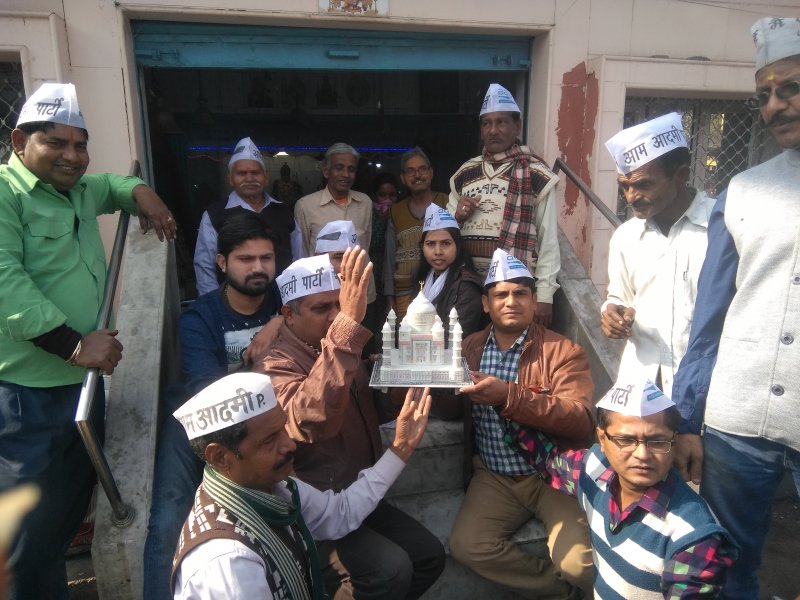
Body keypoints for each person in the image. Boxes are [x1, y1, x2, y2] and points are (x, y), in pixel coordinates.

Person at [0, 82, 176, 599]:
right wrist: (74, 346)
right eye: (56, 143)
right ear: (19, 142)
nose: (72, 156)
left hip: (83, 390)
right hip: (24, 399)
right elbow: (5, 281)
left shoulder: (80, 189)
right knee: (23, 537)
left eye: (80, 145)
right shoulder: (6, 195)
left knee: (62, 519)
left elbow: (115, 183)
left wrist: (141, 193)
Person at [671, 17, 800, 599]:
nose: (774, 106)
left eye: (790, 88)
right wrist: (688, 418)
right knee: (729, 566)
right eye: (764, 95)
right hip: (736, 421)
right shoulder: (742, 191)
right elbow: (710, 315)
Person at [262, 250, 445, 599]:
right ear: (289, 314)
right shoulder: (275, 363)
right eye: (321, 308)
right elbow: (311, 420)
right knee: (390, 569)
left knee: (428, 556)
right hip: (317, 509)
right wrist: (346, 330)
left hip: (361, 492)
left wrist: (395, 385)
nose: (335, 316)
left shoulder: (334, 344)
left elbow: (369, 409)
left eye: (339, 304)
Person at [171, 372, 434, 599]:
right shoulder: (228, 563)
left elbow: (339, 514)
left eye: (283, 429)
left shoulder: (276, 489)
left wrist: (400, 449)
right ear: (219, 457)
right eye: (270, 440)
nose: (289, 445)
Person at [144, 212, 283, 600]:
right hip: (198, 418)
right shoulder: (200, 316)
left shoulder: (286, 300)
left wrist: (279, 322)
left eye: (266, 258)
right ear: (221, 262)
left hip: (269, 417)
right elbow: (207, 389)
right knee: (169, 517)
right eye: (245, 259)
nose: (258, 268)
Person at [505, 378, 738, 597]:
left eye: (657, 441)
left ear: (673, 441)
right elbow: (552, 463)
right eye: (626, 440)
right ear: (602, 440)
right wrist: (506, 403)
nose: (642, 454)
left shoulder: (693, 538)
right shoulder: (594, 468)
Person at [449, 249, 594, 599]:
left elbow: (582, 420)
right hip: (495, 476)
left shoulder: (563, 351)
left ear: (533, 299)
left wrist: (510, 397)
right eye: (501, 294)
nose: (511, 301)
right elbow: (448, 408)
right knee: (468, 546)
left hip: (550, 475)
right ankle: (561, 591)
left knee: (578, 564)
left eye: (521, 293)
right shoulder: (468, 348)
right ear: (486, 304)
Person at [601, 112, 715, 397]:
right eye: (624, 186)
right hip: (643, 385)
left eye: (644, 185)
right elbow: (619, 297)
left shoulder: (723, 226)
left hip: (708, 385)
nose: (631, 197)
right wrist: (612, 313)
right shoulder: (626, 237)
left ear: (680, 176)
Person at [448, 83, 560, 326]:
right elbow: (444, 232)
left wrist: (545, 295)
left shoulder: (536, 174)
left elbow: (548, 239)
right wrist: (457, 216)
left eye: (501, 122)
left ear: (517, 126)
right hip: (467, 290)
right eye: (486, 123)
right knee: (467, 347)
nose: (493, 130)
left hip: (513, 294)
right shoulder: (465, 173)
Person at [193, 136, 299, 295]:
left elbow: (298, 258)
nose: (249, 178)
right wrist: (213, 304)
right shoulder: (215, 214)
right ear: (230, 178)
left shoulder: (283, 211)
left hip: (283, 300)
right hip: (232, 304)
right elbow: (205, 266)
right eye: (241, 173)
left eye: (255, 172)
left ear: (265, 177)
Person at [384, 147, 448, 320]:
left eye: (422, 169)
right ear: (403, 178)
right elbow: (389, 258)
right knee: (405, 336)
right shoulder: (395, 211)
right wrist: (390, 299)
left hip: (440, 289)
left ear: (431, 173)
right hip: (403, 294)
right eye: (410, 171)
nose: (417, 175)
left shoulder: (447, 203)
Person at [416, 204, 485, 342]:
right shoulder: (423, 278)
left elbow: (454, 339)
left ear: (458, 246)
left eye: (446, 243)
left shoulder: (466, 286)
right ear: (422, 247)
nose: (438, 252)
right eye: (430, 244)